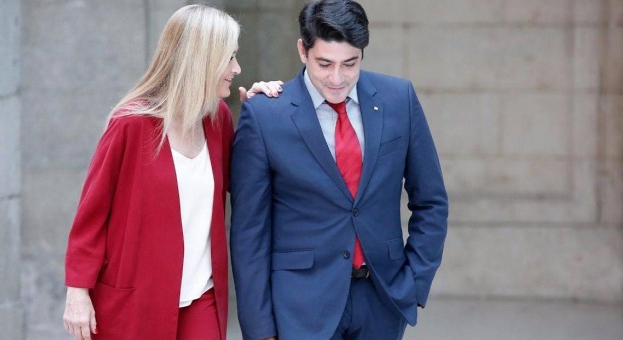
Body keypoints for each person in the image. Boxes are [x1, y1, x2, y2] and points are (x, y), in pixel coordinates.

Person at [230, 0, 449, 339]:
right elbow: (249, 233)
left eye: (350, 63)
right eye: (324, 64)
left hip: (382, 301)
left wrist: (414, 282)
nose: (337, 78)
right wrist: (260, 329)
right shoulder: (264, 115)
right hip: (299, 307)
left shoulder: (398, 98)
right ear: (302, 51)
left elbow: (431, 200)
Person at [62, 5, 281, 340]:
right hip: (135, 302)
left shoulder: (217, 118)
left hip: (202, 299)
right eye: (229, 58)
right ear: (201, 59)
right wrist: (77, 291)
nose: (237, 68)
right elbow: (91, 215)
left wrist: (261, 116)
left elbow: (246, 186)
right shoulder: (130, 125)